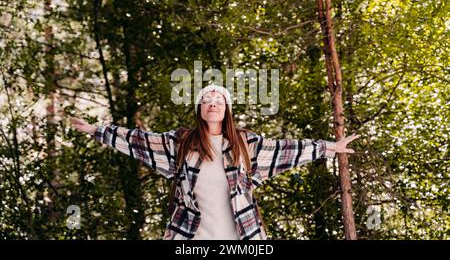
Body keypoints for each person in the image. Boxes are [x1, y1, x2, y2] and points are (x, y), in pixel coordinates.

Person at [70, 84, 360, 240]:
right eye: (207, 100)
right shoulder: (180, 143)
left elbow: (288, 150)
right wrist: (97, 130)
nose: (213, 103)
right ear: (200, 109)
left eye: (218, 100)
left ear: (226, 109)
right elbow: (138, 141)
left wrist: (330, 147)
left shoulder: (247, 145)